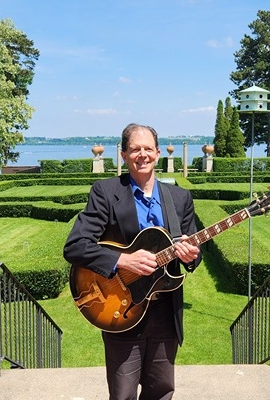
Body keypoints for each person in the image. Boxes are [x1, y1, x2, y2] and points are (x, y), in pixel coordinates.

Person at [63, 123, 201, 400]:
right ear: (124, 155)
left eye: (148, 149)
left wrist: (191, 256)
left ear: (158, 153)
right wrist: (122, 260)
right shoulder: (106, 192)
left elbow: (193, 254)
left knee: (161, 391)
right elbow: (75, 246)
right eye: (135, 149)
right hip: (121, 308)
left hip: (165, 313)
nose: (142, 155)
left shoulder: (179, 198)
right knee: (123, 394)